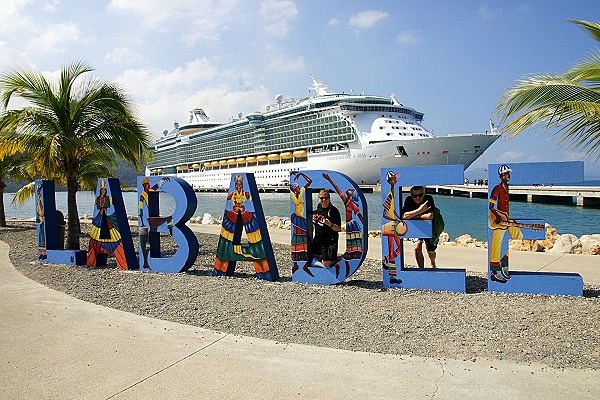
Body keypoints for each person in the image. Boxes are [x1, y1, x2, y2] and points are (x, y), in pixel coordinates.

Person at [214, 173, 271, 279]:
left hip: (245, 214)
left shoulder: (245, 193)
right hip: (233, 214)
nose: (239, 186)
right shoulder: (234, 193)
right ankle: (222, 264)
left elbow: (250, 198)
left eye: (240, 185)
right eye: (237, 185)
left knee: (255, 237)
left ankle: (262, 267)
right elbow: (229, 198)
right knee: (227, 237)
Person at [488, 164, 522, 283]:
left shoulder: (507, 188)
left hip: (506, 219)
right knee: (496, 245)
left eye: (508, 174)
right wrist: (498, 217)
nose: (507, 176)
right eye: (505, 174)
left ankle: (504, 262)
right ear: (501, 176)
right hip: (498, 220)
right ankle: (494, 272)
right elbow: (491, 206)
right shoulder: (497, 188)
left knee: (518, 236)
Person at [322, 173, 364, 260]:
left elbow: (359, 215)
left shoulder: (352, 204)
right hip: (349, 223)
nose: (349, 189)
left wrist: (364, 225)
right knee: (351, 240)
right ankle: (350, 254)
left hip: (351, 223)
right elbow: (337, 188)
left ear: (351, 194)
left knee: (353, 240)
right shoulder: (346, 200)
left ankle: (354, 255)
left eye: (351, 190)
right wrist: (329, 179)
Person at [402, 186, 437, 269]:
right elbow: (403, 216)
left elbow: (430, 216)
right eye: (415, 196)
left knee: (431, 251)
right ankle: (421, 269)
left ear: (424, 194)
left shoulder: (429, 198)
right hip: (416, 227)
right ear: (411, 195)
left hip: (429, 227)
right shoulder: (408, 200)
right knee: (417, 247)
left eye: (420, 195)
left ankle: (433, 262)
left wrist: (412, 215)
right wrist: (420, 211)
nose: (418, 198)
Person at [382, 171, 404, 284]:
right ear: (389, 181)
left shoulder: (393, 193)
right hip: (390, 225)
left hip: (394, 224)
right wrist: (394, 219)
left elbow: (392, 209)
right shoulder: (390, 195)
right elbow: (384, 213)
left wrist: (399, 217)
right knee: (392, 249)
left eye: (395, 178)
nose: (395, 180)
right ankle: (392, 277)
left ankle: (385, 260)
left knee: (400, 248)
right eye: (393, 179)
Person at [311, 189, 342, 270]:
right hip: (318, 238)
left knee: (326, 264)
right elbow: (320, 212)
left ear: (329, 198)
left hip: (329, 240)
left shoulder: (334, 211)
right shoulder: (319, 206)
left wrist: (329, 224)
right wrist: (310, 213)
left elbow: (339, 229)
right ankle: (325, 257)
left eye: (326, 198)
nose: (324, 200)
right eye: (321, 198)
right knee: (313, 257)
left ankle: (338, 258)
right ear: (318, 199)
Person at [290, 172, 312, 275]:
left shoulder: (302, 192)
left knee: (304, 240)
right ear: (295, 189)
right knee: (296, 239)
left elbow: (309, 181)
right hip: (297, 218)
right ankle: (295, 265)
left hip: (302, 218)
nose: (299, 188)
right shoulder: (292, 194)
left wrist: (301, 174)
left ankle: (306, 264)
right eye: (297, 187)